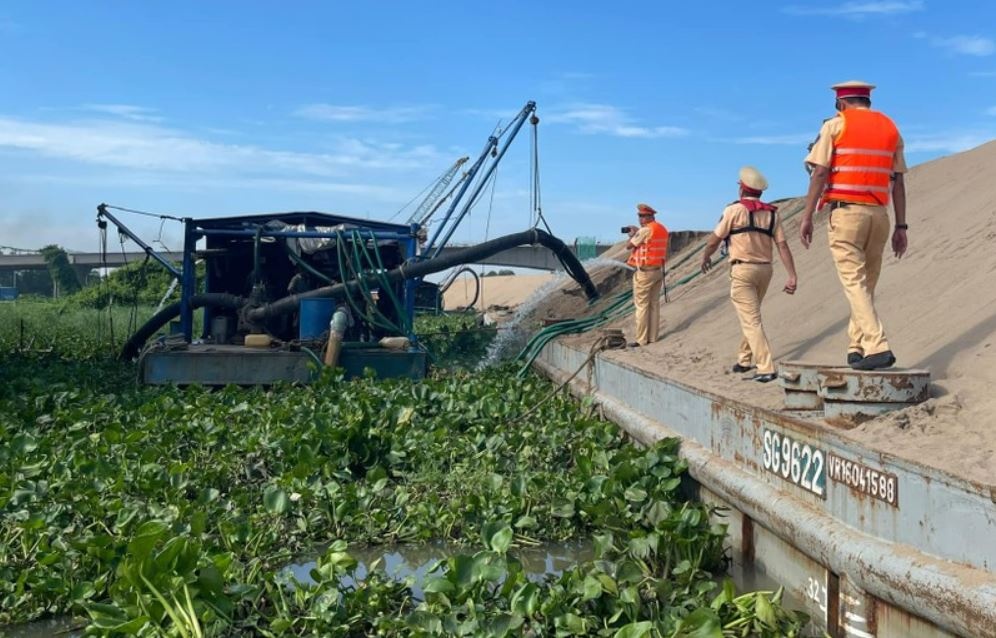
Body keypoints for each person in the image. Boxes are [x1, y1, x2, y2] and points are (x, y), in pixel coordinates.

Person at [799, 80, 908, 371]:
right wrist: (902, 226)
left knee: (854, 283)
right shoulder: (890, 127)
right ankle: (856, 346)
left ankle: (877, 345)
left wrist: (807, 216)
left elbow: (820, 172)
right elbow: (898, 183)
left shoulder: (836, 125)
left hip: (847, 214)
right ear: (867, 100)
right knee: (866, 284)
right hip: (879, 215)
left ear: (841, 103)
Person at [701, 167, 798, 382]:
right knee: (751, 315)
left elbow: (715, 239)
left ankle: (766, 367)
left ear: (741, 188)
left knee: (751, 319)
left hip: (743, 269)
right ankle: (744, 359)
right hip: (765, 269)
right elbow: (782, 246)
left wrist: (706, 256)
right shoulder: (772, 213)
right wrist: (792, 274)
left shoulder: (733, 211)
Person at [625, 203, 669, 347]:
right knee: (654, 305)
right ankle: (653, 337)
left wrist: (633, 234)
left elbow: (629, 245)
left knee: (642, 306)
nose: (639, 219)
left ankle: (641, 339)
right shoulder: (662, 228)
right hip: (658, 271)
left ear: (648, 216)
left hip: (645, 273)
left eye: (641, 216)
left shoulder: (645, 230)